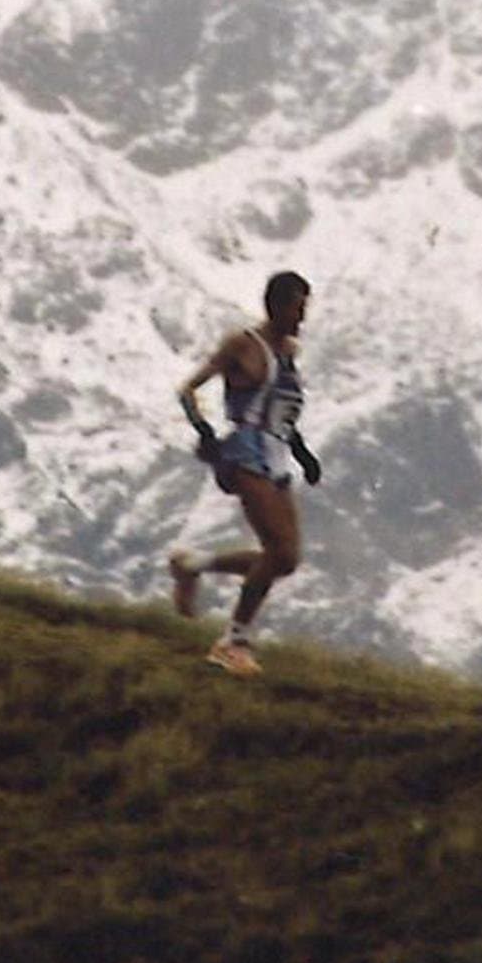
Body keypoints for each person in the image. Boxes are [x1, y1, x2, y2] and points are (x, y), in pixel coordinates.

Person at [168, 270, 321, 675]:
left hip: (277, 452)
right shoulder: (243, 345)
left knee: (286, 559)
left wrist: (301, 451)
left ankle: (192, 565)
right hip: (245, 451)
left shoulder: (289, 351)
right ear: (276, 306)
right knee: (278, 551)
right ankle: (233, 643)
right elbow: (188, 390)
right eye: (297, 308)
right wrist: (205, 433)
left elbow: (280, 409)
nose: (302, 317)